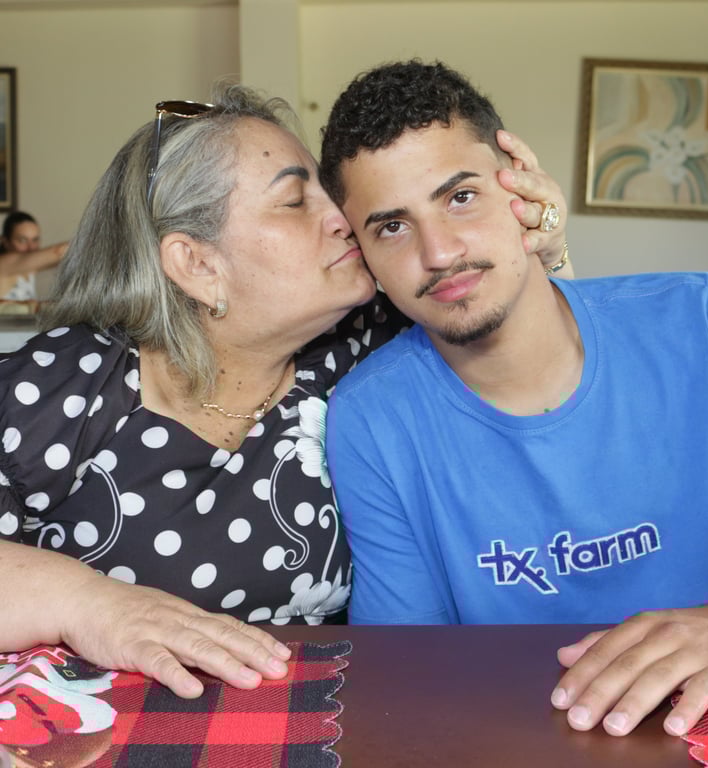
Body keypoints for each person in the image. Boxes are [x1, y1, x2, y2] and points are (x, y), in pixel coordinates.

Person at [0, 82, 568, 699]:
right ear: (197, 264)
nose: (344, 218)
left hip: (319, 720)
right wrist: (88, 602)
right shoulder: (66, 382)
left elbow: (536, 364)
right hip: (98, 730)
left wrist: (545, 248)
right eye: (296, 201)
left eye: (330, 194)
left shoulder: (364, 346)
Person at [320, 60, 708, 739]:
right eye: (391, 227)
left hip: (704, 720)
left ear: (521, 185)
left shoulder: (705, 320)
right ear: (364, 255)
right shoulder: (369, 417)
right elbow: (405, 670)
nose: (439, 252)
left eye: (460, 197)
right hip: (497, 731)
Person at [0, 211, 68, 301]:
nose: (31, 247)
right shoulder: (3, 264)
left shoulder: (30, 269)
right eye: (23, 240)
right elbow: (58, 252)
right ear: (5, 242)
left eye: (35, 240)